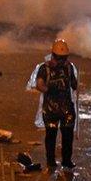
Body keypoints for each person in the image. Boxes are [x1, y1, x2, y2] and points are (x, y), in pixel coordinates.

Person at [35, 39, 78, 170]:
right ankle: (51, 161)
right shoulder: (44, 68)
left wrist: (75, 84)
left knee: (67, 136)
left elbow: (73, 84)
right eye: (58, 58)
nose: (61, 62)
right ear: (53, 55)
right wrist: (49, 88)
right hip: (51, 109)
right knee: (51, 136)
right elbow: (39, 85)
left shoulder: (69, 68)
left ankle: (66, 160)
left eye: (63, 58)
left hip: (66, 108)